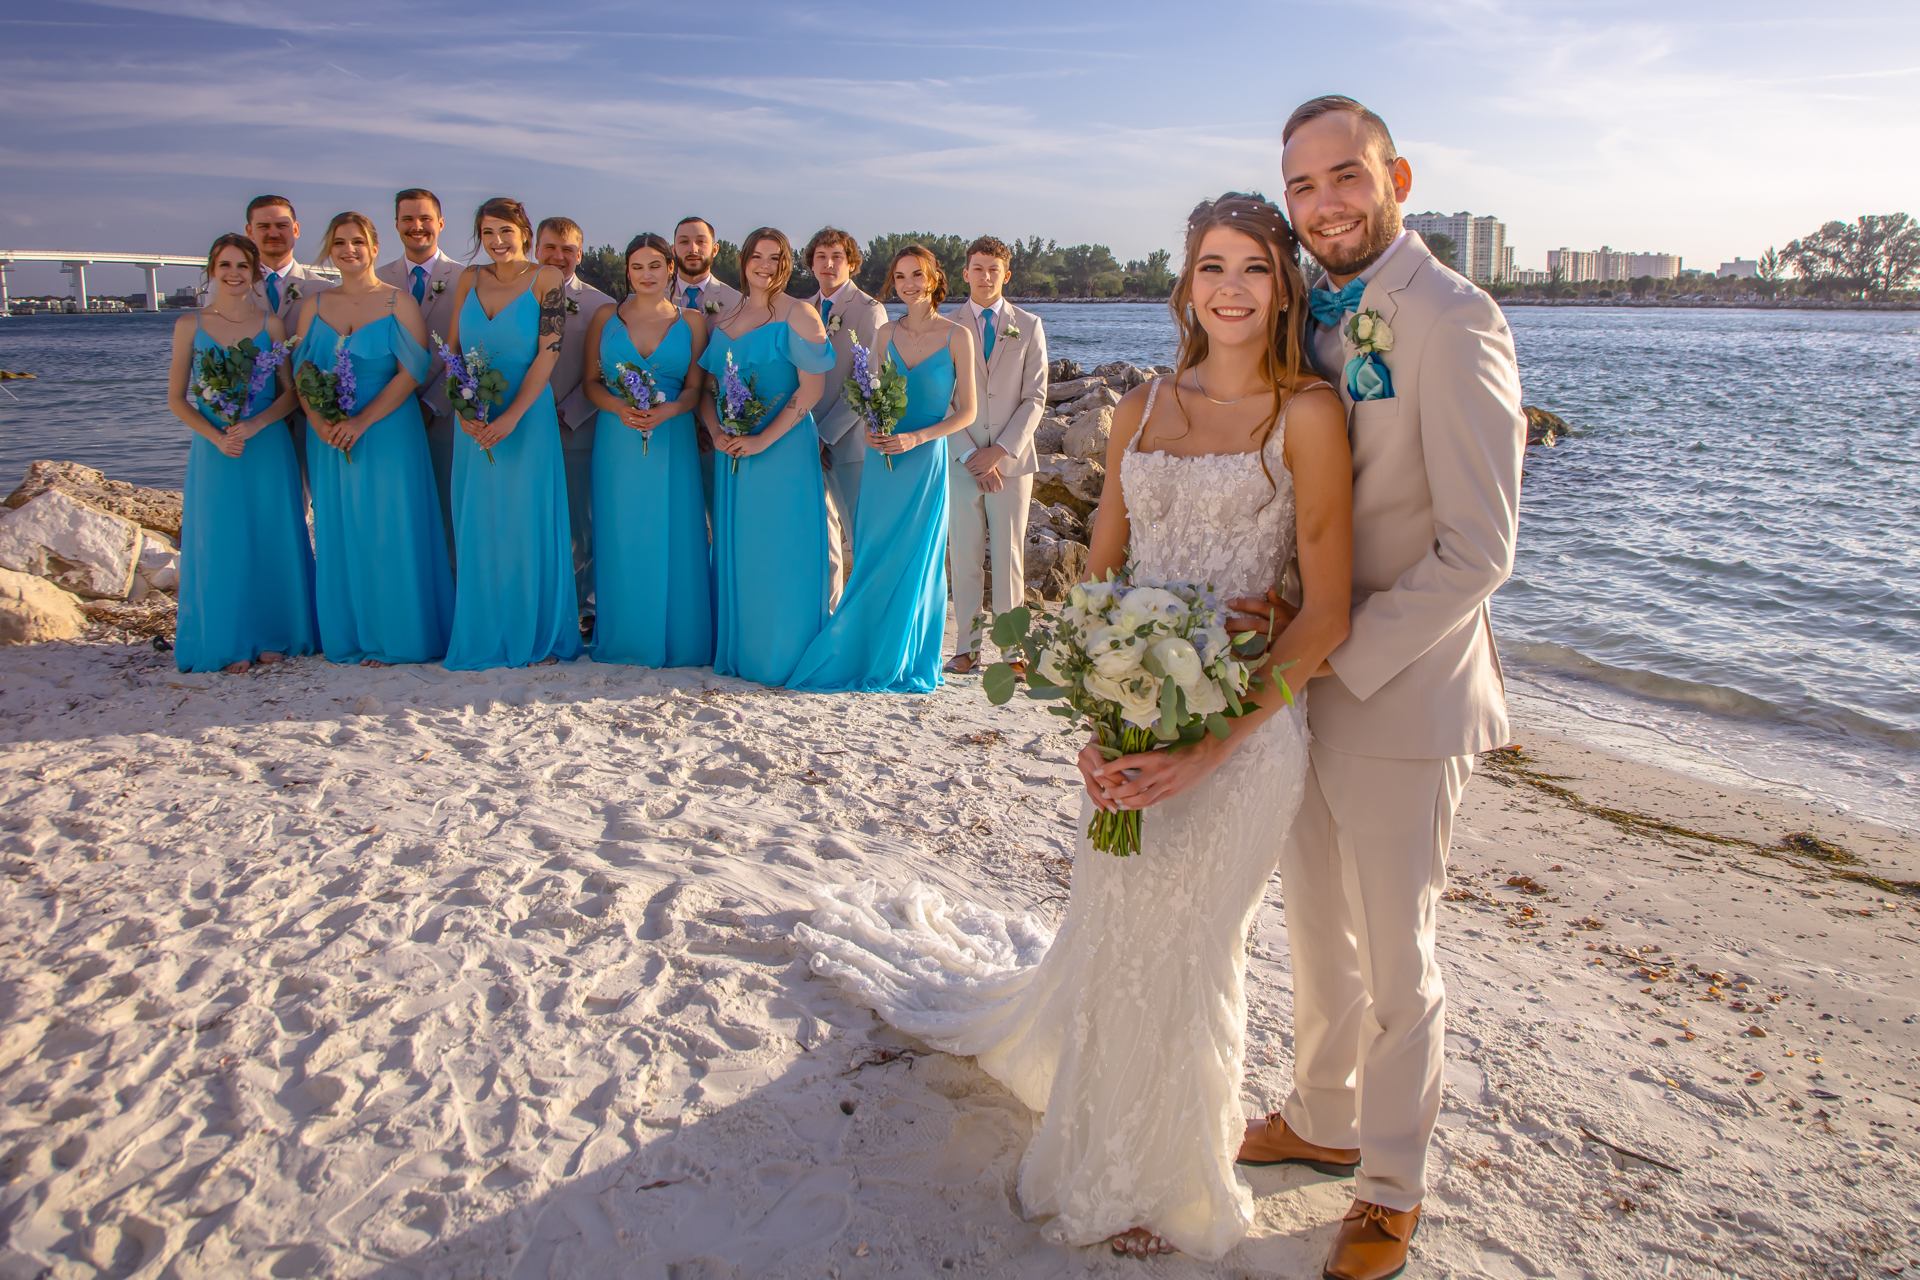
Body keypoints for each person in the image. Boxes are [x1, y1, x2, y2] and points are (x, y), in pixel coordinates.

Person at [797, 194, 1351, 1261]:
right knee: (1117, 925)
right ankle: (1104, 1143)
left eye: (1254, 268)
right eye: (1211, 267)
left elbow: (1323, 608)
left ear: (1283, 287)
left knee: (1192, 943)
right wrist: (1097, 710)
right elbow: (1102, 567)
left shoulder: (1309, 412)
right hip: (1127, 705)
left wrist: (1211, 740)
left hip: (1245, 729)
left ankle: (1171, 1172)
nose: (1230, 288)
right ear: (1186, 285)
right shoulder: (1139, 405)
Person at [1232, 97, 1525, 1280]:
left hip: (1400, 685)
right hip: (1306, 681)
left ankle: (1392, 1182)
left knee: (1399, 951)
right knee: (1317, 926)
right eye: (1301, 188)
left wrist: (1332, 647)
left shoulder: (1453, 318)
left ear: (1395, 174)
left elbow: (1479, 548)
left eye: (1343, 177)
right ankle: (1322, 1110)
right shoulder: (1315, 319)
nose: (1323, 205)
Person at [788, 245, 977, 692]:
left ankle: (907, 653)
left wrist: (918, 437)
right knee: (873, 554)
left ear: (934, 279)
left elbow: (966, 412)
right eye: (900, 277)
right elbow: (870, 394)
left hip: (924, 459)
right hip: (882, 460)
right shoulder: (885, 334)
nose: (908, 285)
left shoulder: (958, 336)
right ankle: (865, 647)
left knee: (917, 560)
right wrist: (874, 428)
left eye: (917, 276)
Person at [290, 211, 453, 667]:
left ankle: (400, 637)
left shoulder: (397, 302)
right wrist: (319, 422)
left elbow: (413, 373)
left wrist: (362, 422)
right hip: (330, 435)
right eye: (339, 242)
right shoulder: (315, 307)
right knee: (343, 529)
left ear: (374, 247)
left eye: (357, 242)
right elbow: (301, 373)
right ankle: (352, 636)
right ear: (329, 249)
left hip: (388, 432)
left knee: (391, 528)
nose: (349, 250)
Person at [439, 197, 583, 670]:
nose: (497, 242)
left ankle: (536, 632)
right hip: (474, 417)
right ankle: (485, 629)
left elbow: (549, 354)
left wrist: (513, 416)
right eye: (487, 234)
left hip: (527, 417)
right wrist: (461, 406)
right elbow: (453, 350)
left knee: (527, 521)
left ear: (523, 231)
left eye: (505, 231)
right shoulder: (467, 279)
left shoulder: (548, 280)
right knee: (480, 521)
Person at [166, 233, 318, 674]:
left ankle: (277, 635)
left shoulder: (270, 324)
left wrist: (255, 424)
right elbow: (177, 400)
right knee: (222, 539)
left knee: (272, 535)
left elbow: (292, 394)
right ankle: (228, 638)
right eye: (225, 265)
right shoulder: (188, 325)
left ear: (253, 274)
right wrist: (217, 437)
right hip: (216, 451)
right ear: (211, 270)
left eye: (242, 267)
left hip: (266, 445)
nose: (233, 274)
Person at [693, 227, 835, 687]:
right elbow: (709, 390)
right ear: (743, 260)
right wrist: (716, 431)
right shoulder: (726, 316)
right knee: (742, 546)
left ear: (786, 264)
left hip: (783, 450)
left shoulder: (801, 314)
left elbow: (811, 391)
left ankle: (781, 655)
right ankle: (745, 650)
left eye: (774, 258)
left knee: (782, 546)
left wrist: (763, 440)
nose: (764, 265)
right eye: (757, 256)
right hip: (735, 453)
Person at [581, 234, 712, 667]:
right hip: (617, 438)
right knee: (622, 531)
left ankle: (681, 640)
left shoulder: (692, 321)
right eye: (637, 267)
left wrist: (671, 409)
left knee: (678, 532)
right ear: (627, 272)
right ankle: (626, 638)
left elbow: (696, 390)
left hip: (672, 439)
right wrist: (620, 407)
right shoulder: (605, 316)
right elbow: (590, 384)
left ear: (670, 268)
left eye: (655, 266)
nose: (646, 275)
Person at [944, 236, 1048, 674]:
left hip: (1011, 463)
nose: (985, 276)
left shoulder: (1029, 324)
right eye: (977, 268)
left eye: (993, 269)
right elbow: (941, 399)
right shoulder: (945, 326)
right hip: (961, 459)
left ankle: (1011, 652)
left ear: (1006, 275)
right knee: (963, 555)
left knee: (1008, 557)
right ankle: (965, 648)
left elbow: (1036, 397)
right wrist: (971, 454)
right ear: (964, 273)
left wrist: (1000, 452)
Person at [376, 188, 466, 567]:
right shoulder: (376, 279)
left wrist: (435, 403)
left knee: (452, 514)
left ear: (441, 224)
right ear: (396, 224)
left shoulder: (467, 278)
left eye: (425, 218)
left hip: (447, 417)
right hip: (390, 419)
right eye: (408, 219)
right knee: (397, 513)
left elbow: (469, 351)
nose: (417, 226)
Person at [535, 216, 617, 625]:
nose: (558, 256)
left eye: (568, 249)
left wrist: (565, 413)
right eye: (550, 247)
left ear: (580, 254)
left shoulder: (600, 305)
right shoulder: (516, 295)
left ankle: (584, 609)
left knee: (580, 526)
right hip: (518, 429)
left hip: (576, 427)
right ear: (536, 249)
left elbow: (605, 371)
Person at [800, 226, 887, 604]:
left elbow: (867, 381)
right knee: (818, 535)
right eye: (821, 257)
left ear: (851, 263)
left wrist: (824, 435)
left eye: (837, 257)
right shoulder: (802, 309)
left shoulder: (869, 310)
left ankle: (864, 617)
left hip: (847, 442)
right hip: (800, 438)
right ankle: (828, 611)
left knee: (859, 535)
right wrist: (802, 433)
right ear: (811, 264)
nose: (828, 264)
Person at [671, 216, 743, 517]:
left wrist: (710, 425)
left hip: (720, 433)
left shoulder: (737, 302)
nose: (692, 248)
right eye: (684, 241)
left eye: (701, 241)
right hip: (668, 429)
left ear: (714, 250)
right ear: (673, 248)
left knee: (723, 515)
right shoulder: (649, 296)